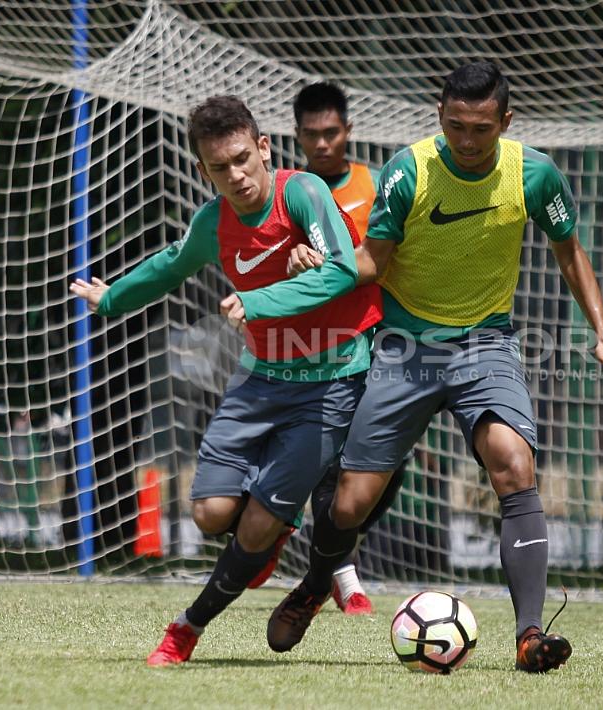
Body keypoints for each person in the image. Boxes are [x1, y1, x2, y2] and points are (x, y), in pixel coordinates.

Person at [228, 61, 603, 672]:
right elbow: (371, 264)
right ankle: (318, 584)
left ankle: (530, 634)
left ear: (506, 120)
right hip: (404, 349)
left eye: (481, 129)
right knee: (348, 506)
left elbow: (570, 251)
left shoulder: (534, 175)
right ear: (440, 118)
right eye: (455, 127)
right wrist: (311, 276)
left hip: (486, 345)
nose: (468, 141)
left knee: (514, 462)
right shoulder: (409, 172)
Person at [70, 95, 382, 666]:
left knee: (259, 524)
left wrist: (259, 300)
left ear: (264, 148)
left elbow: (342, 269)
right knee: (211, 514)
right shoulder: (214, 220)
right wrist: (110, 297)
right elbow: (171, 264)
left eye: (243, 158)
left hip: (333, 380)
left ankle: (186, 628)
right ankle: (265, 536)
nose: (235, 175)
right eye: (220, 167)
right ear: (203, 170)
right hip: (260, 380)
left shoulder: (303, 193)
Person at [283, 81, 406, 616]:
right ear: (298, 136)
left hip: (380, 336)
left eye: (331, 132)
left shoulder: (378, 186)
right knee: (326, 459)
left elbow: (395, 255)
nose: (322, 143)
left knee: (391, 462)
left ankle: (325, 554)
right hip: (314, 342)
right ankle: (340, 573)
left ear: (348, 131)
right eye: (311, 135)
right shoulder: (289, 193)